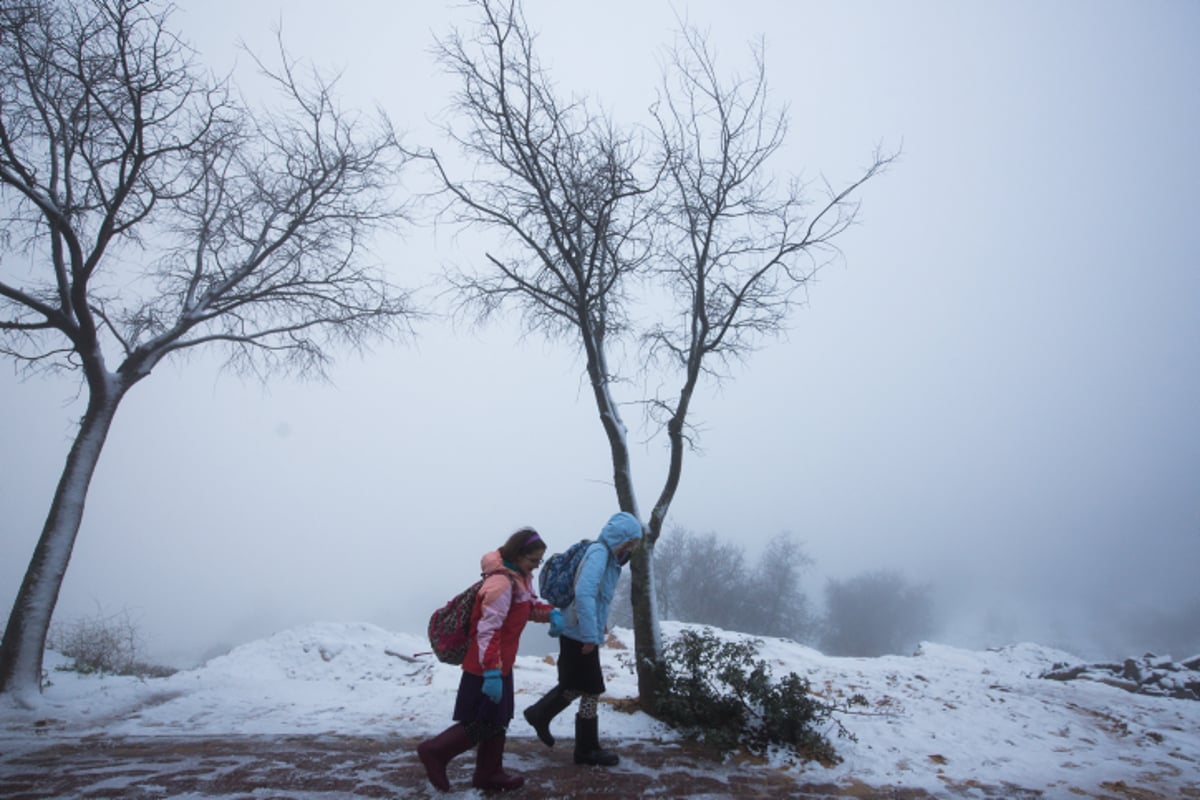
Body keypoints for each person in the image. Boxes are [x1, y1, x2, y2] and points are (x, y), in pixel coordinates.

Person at [417, 527, 562, 793]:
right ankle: (435, 751)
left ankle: (489, 774)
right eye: (533, 560)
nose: (536, 567)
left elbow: (524, 608)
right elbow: (488, 630)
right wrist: (492, 673)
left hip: (500, 664)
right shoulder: (501, 584)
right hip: (486, 666)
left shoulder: (519, 578)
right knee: (484, 721)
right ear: (518, 555)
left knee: (499, 719)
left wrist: (550, 613)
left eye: (539, 561)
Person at [523, 511, 642, 767]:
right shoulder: (600, 554)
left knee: (578, 685)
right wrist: (590, 634)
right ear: (619, 537)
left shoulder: (606, 557)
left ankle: (542, 715)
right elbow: (585, 594)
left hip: (579, 629)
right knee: (591, 688)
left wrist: (600, 624)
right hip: (579, 632)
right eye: (629, 542)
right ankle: (585, 748)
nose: (630, 549)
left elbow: (597, 598)